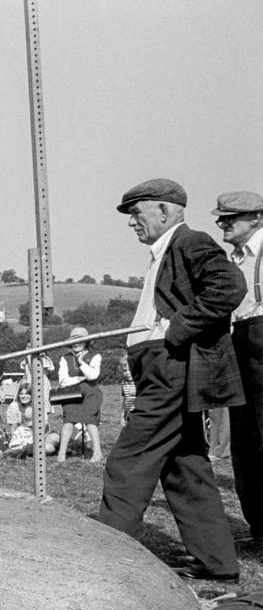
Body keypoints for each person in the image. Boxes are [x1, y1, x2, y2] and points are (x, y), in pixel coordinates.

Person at [98, 179, 245, 582]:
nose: (131, 223)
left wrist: (176, 330)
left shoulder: (190, 242)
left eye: (136, 213)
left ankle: (105, 561)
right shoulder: (164, 252)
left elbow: (229, 286)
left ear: (164, 211)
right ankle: (217, 564)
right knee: (185, 467)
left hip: (171, 366)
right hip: (162, 366)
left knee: (128, 461)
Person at [216, 191, 263, 546]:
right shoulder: (232, 259)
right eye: (221, 219)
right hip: (238, 342)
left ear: (256, 219)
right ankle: (258, 526)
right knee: (244, 443)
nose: (222, 225)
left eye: (230, 219)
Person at [55, 327, 104, 463]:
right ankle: (61, 455)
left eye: (80, 341)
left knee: (90, 420)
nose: (76, 344)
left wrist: (82, 362)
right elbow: (63, 380)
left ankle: (97, 453)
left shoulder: (95, 356)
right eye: (74, 341)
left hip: (91, 393)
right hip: (70, 391)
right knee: (69, 420)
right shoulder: (65, 358)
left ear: (86, 342)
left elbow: (93, 375)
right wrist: (81, 379)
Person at [118, 356, 136, 425]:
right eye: (125, 370)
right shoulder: (124, 383)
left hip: (138, 413)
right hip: (129, 414)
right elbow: (125, 400)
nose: (127, 373)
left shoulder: (138, 382)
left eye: (130, 370)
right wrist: (122, 415)